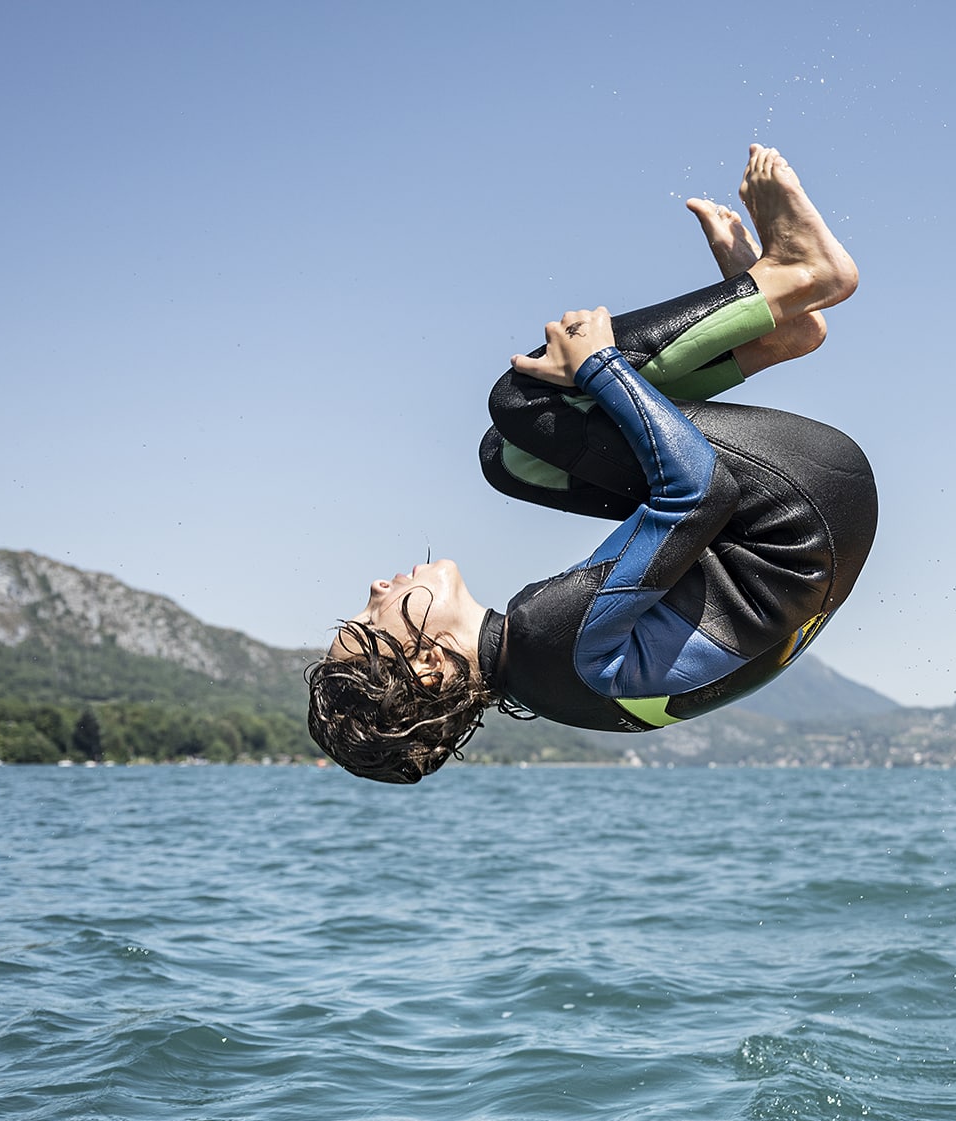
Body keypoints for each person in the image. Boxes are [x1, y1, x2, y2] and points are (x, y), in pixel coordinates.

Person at [308, 145, 877, 784]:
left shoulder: (543, 673)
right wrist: (598, 366)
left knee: (513, 460)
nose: (374, 591)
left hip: (817, 528)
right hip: (803, 504)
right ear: (431, 667)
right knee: (525, 403)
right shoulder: (548, 635)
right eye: (367, 621)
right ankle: (801, 276)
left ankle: (772, 328)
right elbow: (698, 492)